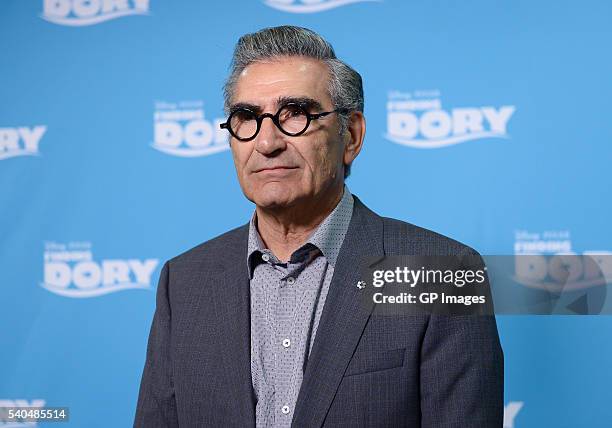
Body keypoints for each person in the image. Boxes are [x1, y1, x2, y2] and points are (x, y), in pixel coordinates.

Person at [134, 25, 503, 428]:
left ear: (352, 135)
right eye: (247, 118)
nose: (267, 142)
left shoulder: (438, 272)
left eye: (296, 115)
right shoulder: (184, 281)